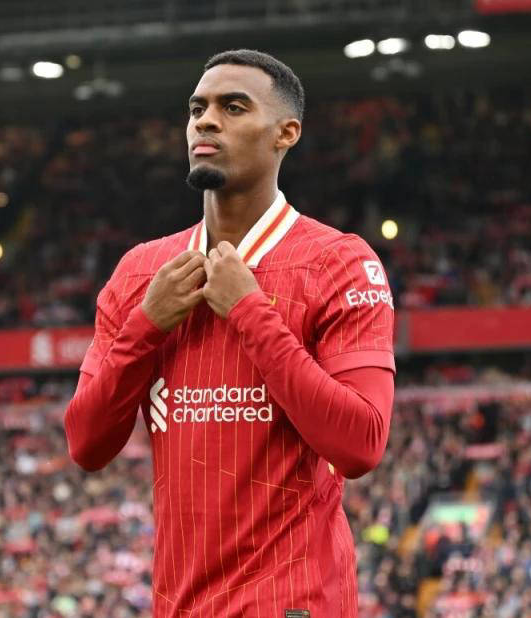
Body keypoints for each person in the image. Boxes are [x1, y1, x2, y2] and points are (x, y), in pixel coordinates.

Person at [64, 49, 395, 618]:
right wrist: (146, 326)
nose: (206, 122)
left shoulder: (340, 263)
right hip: (179, 604)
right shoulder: (141, 274)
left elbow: (361, 444)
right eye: (197, 109)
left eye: (233, 107)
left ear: (286, 133)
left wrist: (249, 312)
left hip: (292, 604)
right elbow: (86, 444)